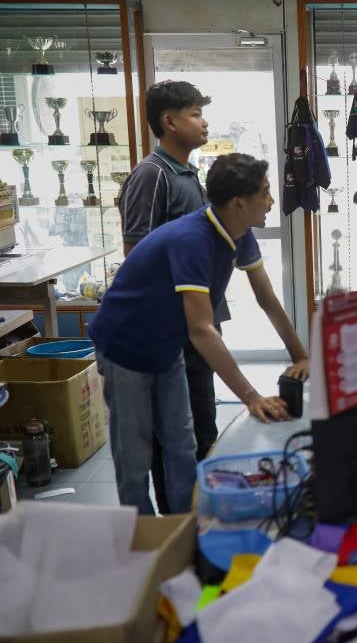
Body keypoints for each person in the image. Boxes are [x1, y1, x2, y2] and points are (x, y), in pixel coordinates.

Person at [90, 153, 309, 515]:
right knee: (134, 455)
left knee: (181, 445)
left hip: (166, 345)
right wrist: (251, 397)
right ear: (239, 204)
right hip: (125, 346)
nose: (271, 201)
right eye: (265, 193)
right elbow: (202, 330)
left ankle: (184, 528)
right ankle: (140, 534)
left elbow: (266, 298)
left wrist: (301, 356)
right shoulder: (192, 240)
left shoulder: (239, 233)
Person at [118, 80, 219, 513]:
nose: (204, 122)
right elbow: (137, 252)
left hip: (195, 325)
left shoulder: (187, 173)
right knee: (175, 437)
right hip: (170, 329)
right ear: (169, 121)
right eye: (195, 114)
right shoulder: (152, 174)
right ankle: (176, 524)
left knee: (201, 430)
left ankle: (198, 518)